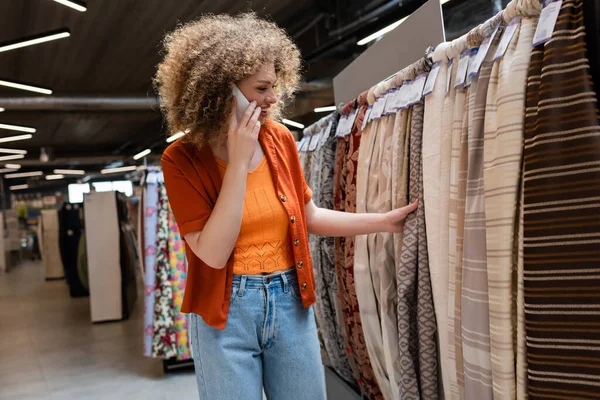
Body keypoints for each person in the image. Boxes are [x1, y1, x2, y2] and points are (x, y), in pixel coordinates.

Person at [155, 13, 418, 400]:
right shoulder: (180, 160)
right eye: (261, 87)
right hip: (224, 316)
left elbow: (308, 217)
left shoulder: (279, 140)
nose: (273, 99)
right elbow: (212, 253)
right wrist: (239, 163)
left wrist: (383, 221)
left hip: (289, 301)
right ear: (221, 89)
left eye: (275, 86)